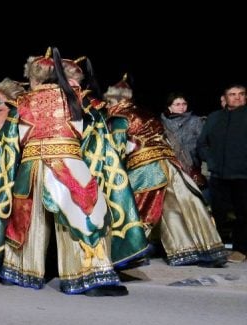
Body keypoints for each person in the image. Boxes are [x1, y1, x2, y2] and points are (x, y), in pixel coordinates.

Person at [0, 50, 140, 295]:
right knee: (83, 217)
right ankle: (88, 276)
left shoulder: (21, 104)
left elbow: (8, 147)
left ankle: (21, 271)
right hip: (68, 162)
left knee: (29, 221)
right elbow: (95, 137)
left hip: (31, 166)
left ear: (32, 78)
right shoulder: (76, 98)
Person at [103, 76, 226, 266]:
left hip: (146, 167)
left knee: (135, 206)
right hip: (169, 163)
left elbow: (116, 149)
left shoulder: (120, 118)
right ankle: (193, 249)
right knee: (178, 205)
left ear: (115, 100)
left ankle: (133, 251)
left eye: (108, 100)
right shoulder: (145, 113)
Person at [197, 84, 247, 260]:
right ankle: (215, 248)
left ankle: (241, 249)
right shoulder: (215, 117)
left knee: (243, 215)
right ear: (225, 98)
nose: (237, 97)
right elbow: (202, 143)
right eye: (232, 94)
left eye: (241, 94)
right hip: (219, 175)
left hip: (243, 176)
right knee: (217, 214)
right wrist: (211, 161)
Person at [161, 92, 205, 185]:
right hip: (169, 165)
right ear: (169, 107)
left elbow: (203, 142)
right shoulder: (161, 123)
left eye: (184, 104)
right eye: (177, 104)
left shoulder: (195, 121)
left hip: (190, 166)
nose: (181, 107)